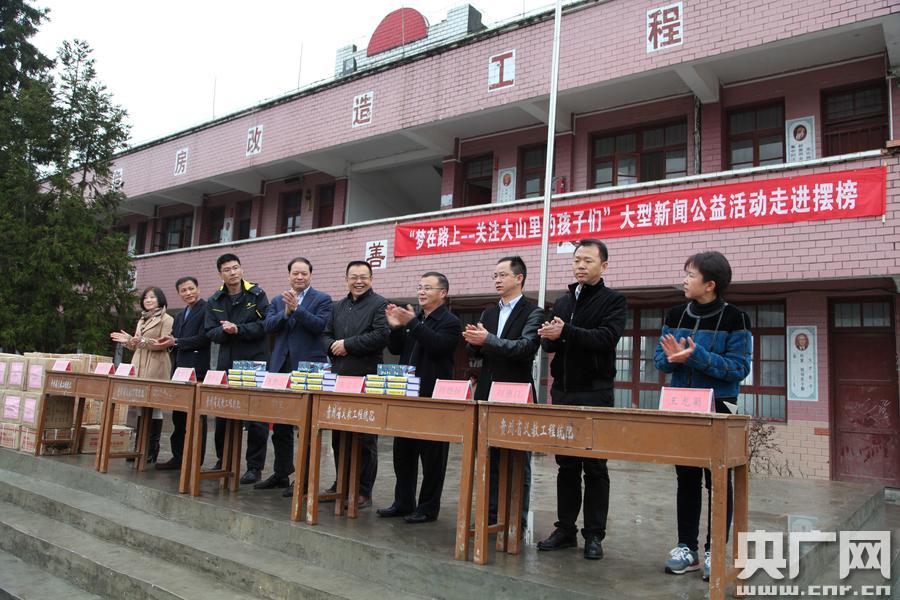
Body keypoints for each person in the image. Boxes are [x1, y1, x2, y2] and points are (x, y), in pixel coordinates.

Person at [654, 251, 751, 581]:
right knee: (686, 478)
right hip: (682, 405)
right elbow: (660, 359)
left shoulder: (736, 318)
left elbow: (738, 368)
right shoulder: (675, 314)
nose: (684, 280)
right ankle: (686, 547)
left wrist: (696, 356)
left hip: (720, 407)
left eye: (690, 275)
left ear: (710, 285)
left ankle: (715, 550)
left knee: (718, 479)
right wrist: (673, 359)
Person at [536, 238, 627, 560]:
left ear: (604, 265)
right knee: (566, 465)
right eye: (577, 260)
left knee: (595, 466)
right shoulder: (563, 302)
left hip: (595, 392)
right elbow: (554, 344)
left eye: (588, 260)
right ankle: (565, 529)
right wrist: (549, 338)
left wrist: (566, 332)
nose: (581, 266)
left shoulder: (614, 301)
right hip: (563, 391)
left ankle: (594, 535)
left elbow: (606, 339)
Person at [463, 256, 542, 531]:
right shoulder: (488, 313)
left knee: (518, 461)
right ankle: (490, 516)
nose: (497, 280)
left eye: (502, 275)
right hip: (487, 391)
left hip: (516, 392)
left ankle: (516, 522)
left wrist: (488, 340)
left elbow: (525, 348)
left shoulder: (534, 312)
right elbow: (478, 352)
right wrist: (474, 342)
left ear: (519, 278)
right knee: (489, 458)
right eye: (494, 275)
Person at [378, 272, 461, 524]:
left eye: (427, 287)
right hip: (407, 395)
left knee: (432, 457)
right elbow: (395, 349)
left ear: (442, 293)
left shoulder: (450, 322)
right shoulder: (416, 319)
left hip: (433, 398)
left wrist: (412, 323)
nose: (421, 292)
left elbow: (437, 346)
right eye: (419, 287)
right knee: (403, 452)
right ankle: (403, 502)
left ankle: (428, 508)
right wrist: (395, 327)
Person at [255, 257, 332, 491]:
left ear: (311, 275)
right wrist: (286, 313)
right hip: (280, 367)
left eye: (304, 273)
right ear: (289, 275)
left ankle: (304, 479)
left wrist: (297, 310)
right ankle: (281, 472)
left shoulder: (322, 299)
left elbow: (320, 326)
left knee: (306, 428)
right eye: (295, 273)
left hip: (308, 368)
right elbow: (268, 326)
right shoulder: (278, 300)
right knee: (280, 426)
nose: (299, 277)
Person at [319, 260, 389, 507]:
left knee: (365, 437)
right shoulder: (337, 306)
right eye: (354, 277)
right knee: (339, 434)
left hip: (366, 378)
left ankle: (363, 490)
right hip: (339, 377)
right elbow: (325, 334)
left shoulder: (380, 304)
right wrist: (332, 346)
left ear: (371, 279)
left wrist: (348, 344)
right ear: (346, 279)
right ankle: (341, 483)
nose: (358, 281)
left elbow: (381, 335)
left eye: (363, 277)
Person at [204, 253, 270, 484]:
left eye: (235, 268)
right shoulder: (215, 300)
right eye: (227, 270)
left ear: (242, 270)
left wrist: (239, 329)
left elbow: (265, 325)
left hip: (254, 362)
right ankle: (223, 460)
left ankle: (254, 467)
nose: (232, 273)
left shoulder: (257, 294)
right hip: (227, 362)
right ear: (220, 274)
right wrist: (225, 331)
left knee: (256, 417)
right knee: (224, 413)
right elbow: (210, 331)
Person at [109, 286, 174, 463]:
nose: (148, 300)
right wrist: (128, 341)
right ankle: (139, 447)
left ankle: (151, 449)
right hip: (139, 364)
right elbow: (136, 344)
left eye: (152, 297)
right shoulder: (142, 319)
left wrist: (140, 340)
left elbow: (163, 343)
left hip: (156, 364)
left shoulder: (167, 319)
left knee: (154, 406)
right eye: (146, 298)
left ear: (160, 299)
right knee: (140, 405)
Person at [156, 276, 210, 470]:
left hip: (197, 370)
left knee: (197, 419)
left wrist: (177, 342)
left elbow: (204, 338)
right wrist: (168, 341)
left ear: (198, 289)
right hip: (179, 370)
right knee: (178, 417)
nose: (188, 293)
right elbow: (175, 340)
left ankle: (195, 460)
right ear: (179, 294)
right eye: (183, 290)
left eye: (191, 288)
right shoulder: (179, 315)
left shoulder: (207, 309)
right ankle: (178, 456)